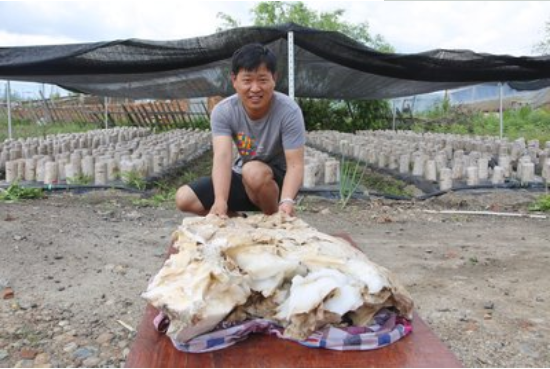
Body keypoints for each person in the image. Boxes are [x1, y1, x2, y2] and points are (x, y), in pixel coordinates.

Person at [175, 43, 306, 217]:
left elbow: (295, 164)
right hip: (244, 177)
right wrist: (220, 200)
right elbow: (222, 157)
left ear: (274, 78)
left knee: (253, 171)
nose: (255, 88)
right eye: (247, 80)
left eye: (262, 80)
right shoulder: (224, 111)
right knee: (184, 198)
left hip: (277, 183)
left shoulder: (288, 111)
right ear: (234, 80)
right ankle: (238, 221)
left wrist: (287, 200)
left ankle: (274, 219)